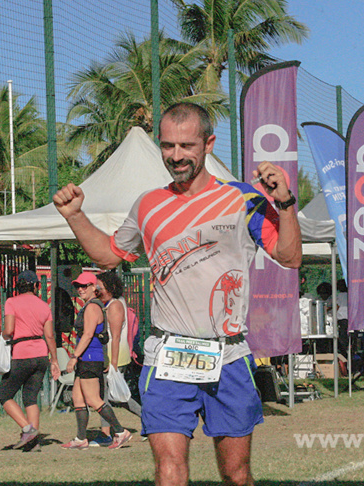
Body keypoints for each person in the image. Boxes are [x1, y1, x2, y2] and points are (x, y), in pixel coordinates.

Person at [53, 102, 301, 485]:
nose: (176, 156)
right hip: (168, 355)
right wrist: (74, 216)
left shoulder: (242, 199)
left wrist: (283, 203)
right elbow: (109, 255)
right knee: (169, 470)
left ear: (209, 144)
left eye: (187, 146)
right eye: (168, 146)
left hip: (229, 354)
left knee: (236, 474)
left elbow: (289, 255)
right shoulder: (148, 204)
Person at [61, 272, 132, 450]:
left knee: (93, 399)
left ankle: (120, 431)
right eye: (78, 286)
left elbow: (88, 335)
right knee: (78, 398)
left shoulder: (93, 307)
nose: (80, 289)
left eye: (85, 286)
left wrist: (74, 357)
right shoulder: (90, 306)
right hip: (87, 357)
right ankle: (81, 438)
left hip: (90, 357)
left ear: (94, 287)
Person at [0, 270, 59, 449]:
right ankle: (33, 442)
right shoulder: (44, 306)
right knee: (31, 397)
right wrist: (54, 360)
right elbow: (49, 336)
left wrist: (2, 336)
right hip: (41, 355)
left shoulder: (12, 302)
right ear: (35, 286)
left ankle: (28, 429)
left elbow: (9, 330)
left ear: (18, 285)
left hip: (21, 353)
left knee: (5, 395)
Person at [93, 270, 142, 447]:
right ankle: (107, 432)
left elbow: (115, 336)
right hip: (114, 356)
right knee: (113, 396)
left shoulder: (114, 306)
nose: (96, 290)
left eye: (100, 287)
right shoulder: (112, 304)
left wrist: (112, 363)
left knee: (112, 396)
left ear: (111, 288)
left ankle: (107, 434)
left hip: (116, 357)